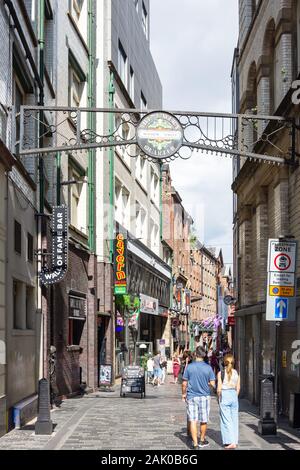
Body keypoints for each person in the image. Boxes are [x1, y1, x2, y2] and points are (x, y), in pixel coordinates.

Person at [182, 346, 216, 450]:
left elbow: (184, 383)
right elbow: (213, 384)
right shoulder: (208, 367)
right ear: (204, 355)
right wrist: (207, 384)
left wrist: (183, 394)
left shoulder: (189, 367)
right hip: (204, 396)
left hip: (192, 396)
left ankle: (195, 444)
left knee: (193, 420)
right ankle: (201, 439)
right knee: (203, 420)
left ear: (195, 355)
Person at [217, 354, 240, 450]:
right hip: (234, 395)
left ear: (224, 362)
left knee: (226, 420)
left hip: (225, 395)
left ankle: (231, 442)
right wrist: (234, 396)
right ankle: (234, 440)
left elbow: (219, 389)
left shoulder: (220, 373)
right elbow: (238, 388)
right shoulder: (236, 373)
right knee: (234, 419)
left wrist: (219, 397)